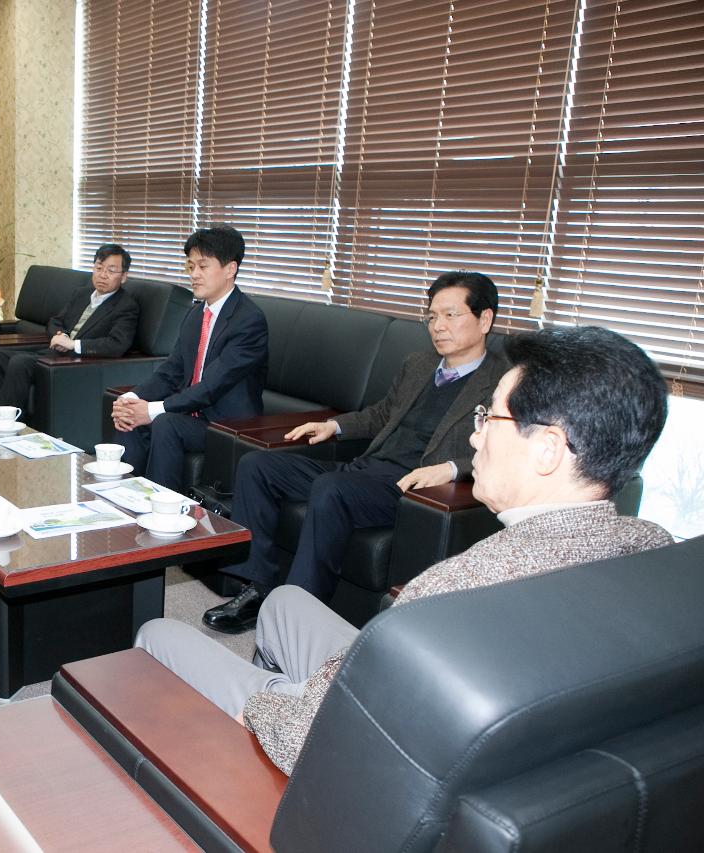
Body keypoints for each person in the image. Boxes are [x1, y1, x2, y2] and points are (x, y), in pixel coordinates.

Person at [136, 325, 673, 774]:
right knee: (283, 605)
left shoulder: (455, 588)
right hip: (428, 710)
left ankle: (244, 768)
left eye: (491, 420)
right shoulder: (655, 550)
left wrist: (269, 703)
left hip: (338, 746)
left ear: (549, 449)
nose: (475, 438)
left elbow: (304, 737)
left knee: (158, 632)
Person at [203, 271, 509, 633]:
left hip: (409, 489)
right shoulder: (419, 365)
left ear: (484, 318)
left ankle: (297, 616)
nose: (438, 326)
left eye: (450, 315)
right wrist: (334, 426)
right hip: (363, 470)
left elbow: (507, 448)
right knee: (258, 466)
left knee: (331, 488)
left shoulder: (503, 382)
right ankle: (256, 589)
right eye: (431, 317)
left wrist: (453, 468)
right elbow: (382, 413)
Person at [111, 225, 268, 493]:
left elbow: (211, 387)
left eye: (203, 266)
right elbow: (172, 370)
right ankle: (123, 499)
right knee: (130, 416)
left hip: (227, 424)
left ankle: (162, 510)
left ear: (230, 269)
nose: (193, 275)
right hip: (192, 415)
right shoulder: (196, 315)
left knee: (164, 422)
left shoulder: (249, 321)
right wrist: (133, 400)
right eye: (190, 266)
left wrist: (151, 410)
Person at [0, 243, 140, 423]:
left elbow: (117, 345)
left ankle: (4, 427)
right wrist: (61, 335)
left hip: (76, 363)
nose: (103, 275)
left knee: (20, 362)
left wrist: (74, 345)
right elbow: (56, 320)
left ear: (124, 276)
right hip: (54, 353)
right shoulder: (82, 294)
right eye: (99, 268)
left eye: (111, 270)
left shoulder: (126, 306)